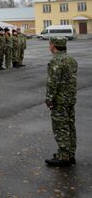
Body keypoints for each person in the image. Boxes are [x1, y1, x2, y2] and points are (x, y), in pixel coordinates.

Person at [45, 37, 78, 167]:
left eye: (50, 44)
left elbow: (53, 82)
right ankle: (70, 153)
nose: (49, 47)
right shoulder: (71, 59)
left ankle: (64, 157)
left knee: (60, 127)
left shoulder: (56, 61)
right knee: (70, 125)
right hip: (70, 98)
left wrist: (49, 99)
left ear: (53, 45)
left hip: (60, 100)